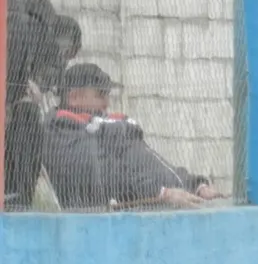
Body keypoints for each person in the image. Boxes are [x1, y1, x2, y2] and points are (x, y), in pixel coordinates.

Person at [42, 63, 224, 210]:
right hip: (117, 214)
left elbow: (150, 161)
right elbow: (107, 173)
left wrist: (196, 186)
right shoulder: (62, 129)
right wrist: (160, 192)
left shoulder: (100, 126)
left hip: (152, 202)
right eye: (100, 95)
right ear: (74, 97)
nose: (107, 103)